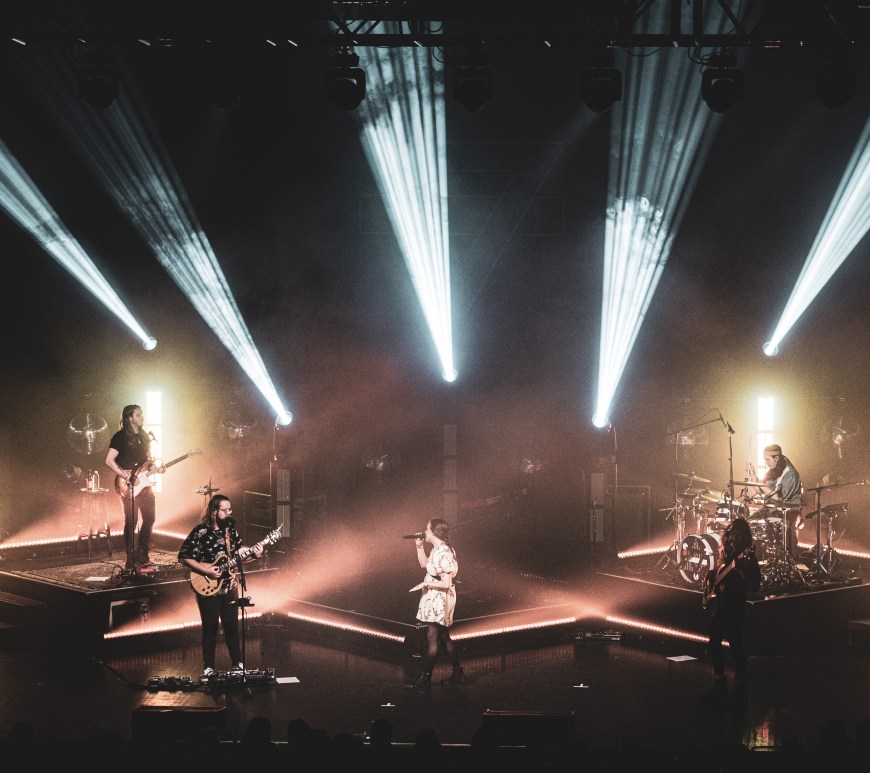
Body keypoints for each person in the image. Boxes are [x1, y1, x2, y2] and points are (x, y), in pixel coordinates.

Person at [178, 494, 263, 678]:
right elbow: (184, 556)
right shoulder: (200, 531)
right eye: (225, 510)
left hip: (229, 587)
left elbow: (239, 553)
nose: (228, 513)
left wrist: (255, 553)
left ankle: (237, 664)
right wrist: (206, 571)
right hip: (208, 587)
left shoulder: (230, 530)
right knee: (210, 628)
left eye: (229, 509)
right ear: (214, 511)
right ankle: (208, 667)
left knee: (232, 627)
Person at [701, 516, 761, 709]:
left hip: (735, 605)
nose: (735, 538)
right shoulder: (727, 553)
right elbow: (721, 573)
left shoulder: (747, 556)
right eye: (732, 534)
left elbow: (755, 586)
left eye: (739, 535)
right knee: (714, 643)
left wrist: (742, 570)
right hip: (720, 604)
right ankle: (719, 684)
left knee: (736, 647)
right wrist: (712, 576)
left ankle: (740, 691)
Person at [405, 518, 466, 688]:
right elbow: (424, 564)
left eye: (427, 529)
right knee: (444, 636)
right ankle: (458, 674)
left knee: (432, 636)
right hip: (435, 596)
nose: (424, 531)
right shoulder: (436, 549)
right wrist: (419, 547)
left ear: (434, 532)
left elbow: (446, 583)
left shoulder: (444, 552)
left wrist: (425, 583)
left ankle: (426, 677)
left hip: (440, 598)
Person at [104, 404, 164, 574]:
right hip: (128, 483)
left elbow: (147, 462)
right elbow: (109, 460)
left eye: (142, 414)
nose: (142, 417)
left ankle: (142, 556)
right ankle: (131, 561)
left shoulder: (145, 437)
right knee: (132, 521)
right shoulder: (120, 437)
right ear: (130, 418)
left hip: (144, 484)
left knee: (150, 518)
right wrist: (126, 476)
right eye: (139, 414)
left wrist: (157, 468)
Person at [759, 443, 803, 558]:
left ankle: (788, 559)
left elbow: (780, 498)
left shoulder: (790, 474)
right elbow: (764, 491)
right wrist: (753, 478)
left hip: (789, 513)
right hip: (774, 510)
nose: (766, 463)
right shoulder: (774, 472)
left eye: (767, 459)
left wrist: (760, 484)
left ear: (776, 458)